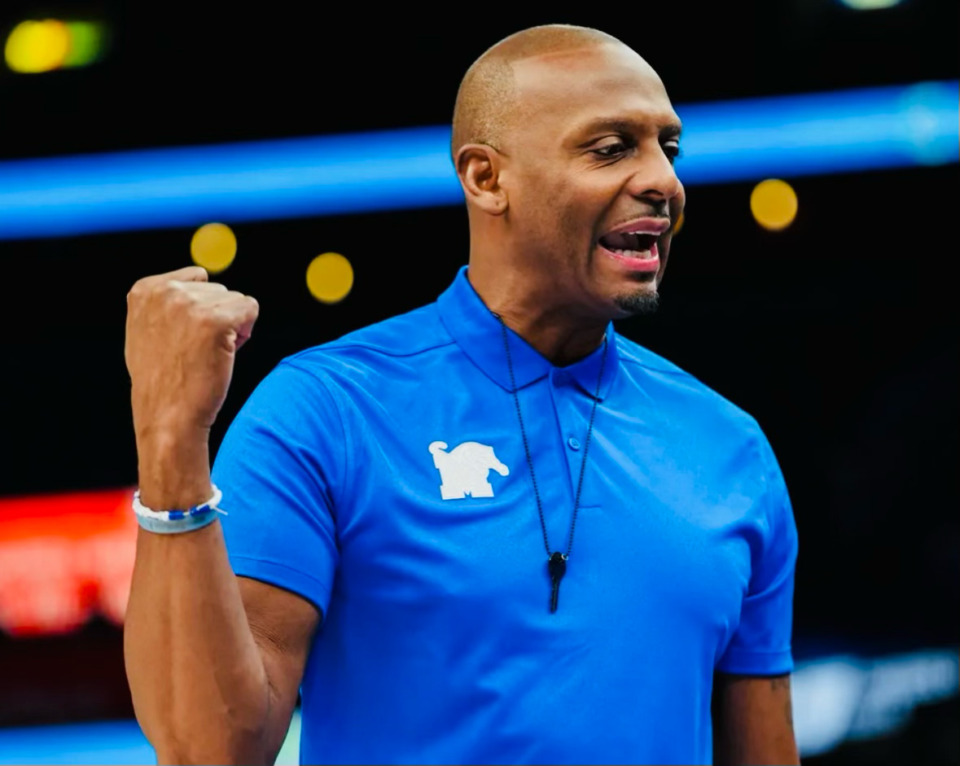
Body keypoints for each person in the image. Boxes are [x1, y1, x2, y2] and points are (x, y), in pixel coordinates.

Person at [123, 23, 800, 766]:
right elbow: (209, 747)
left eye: (667, 149)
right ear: (485, 178)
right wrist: (170, 442)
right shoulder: (325, 412)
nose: (662, 182)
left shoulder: (730, 448)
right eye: (610, 148)